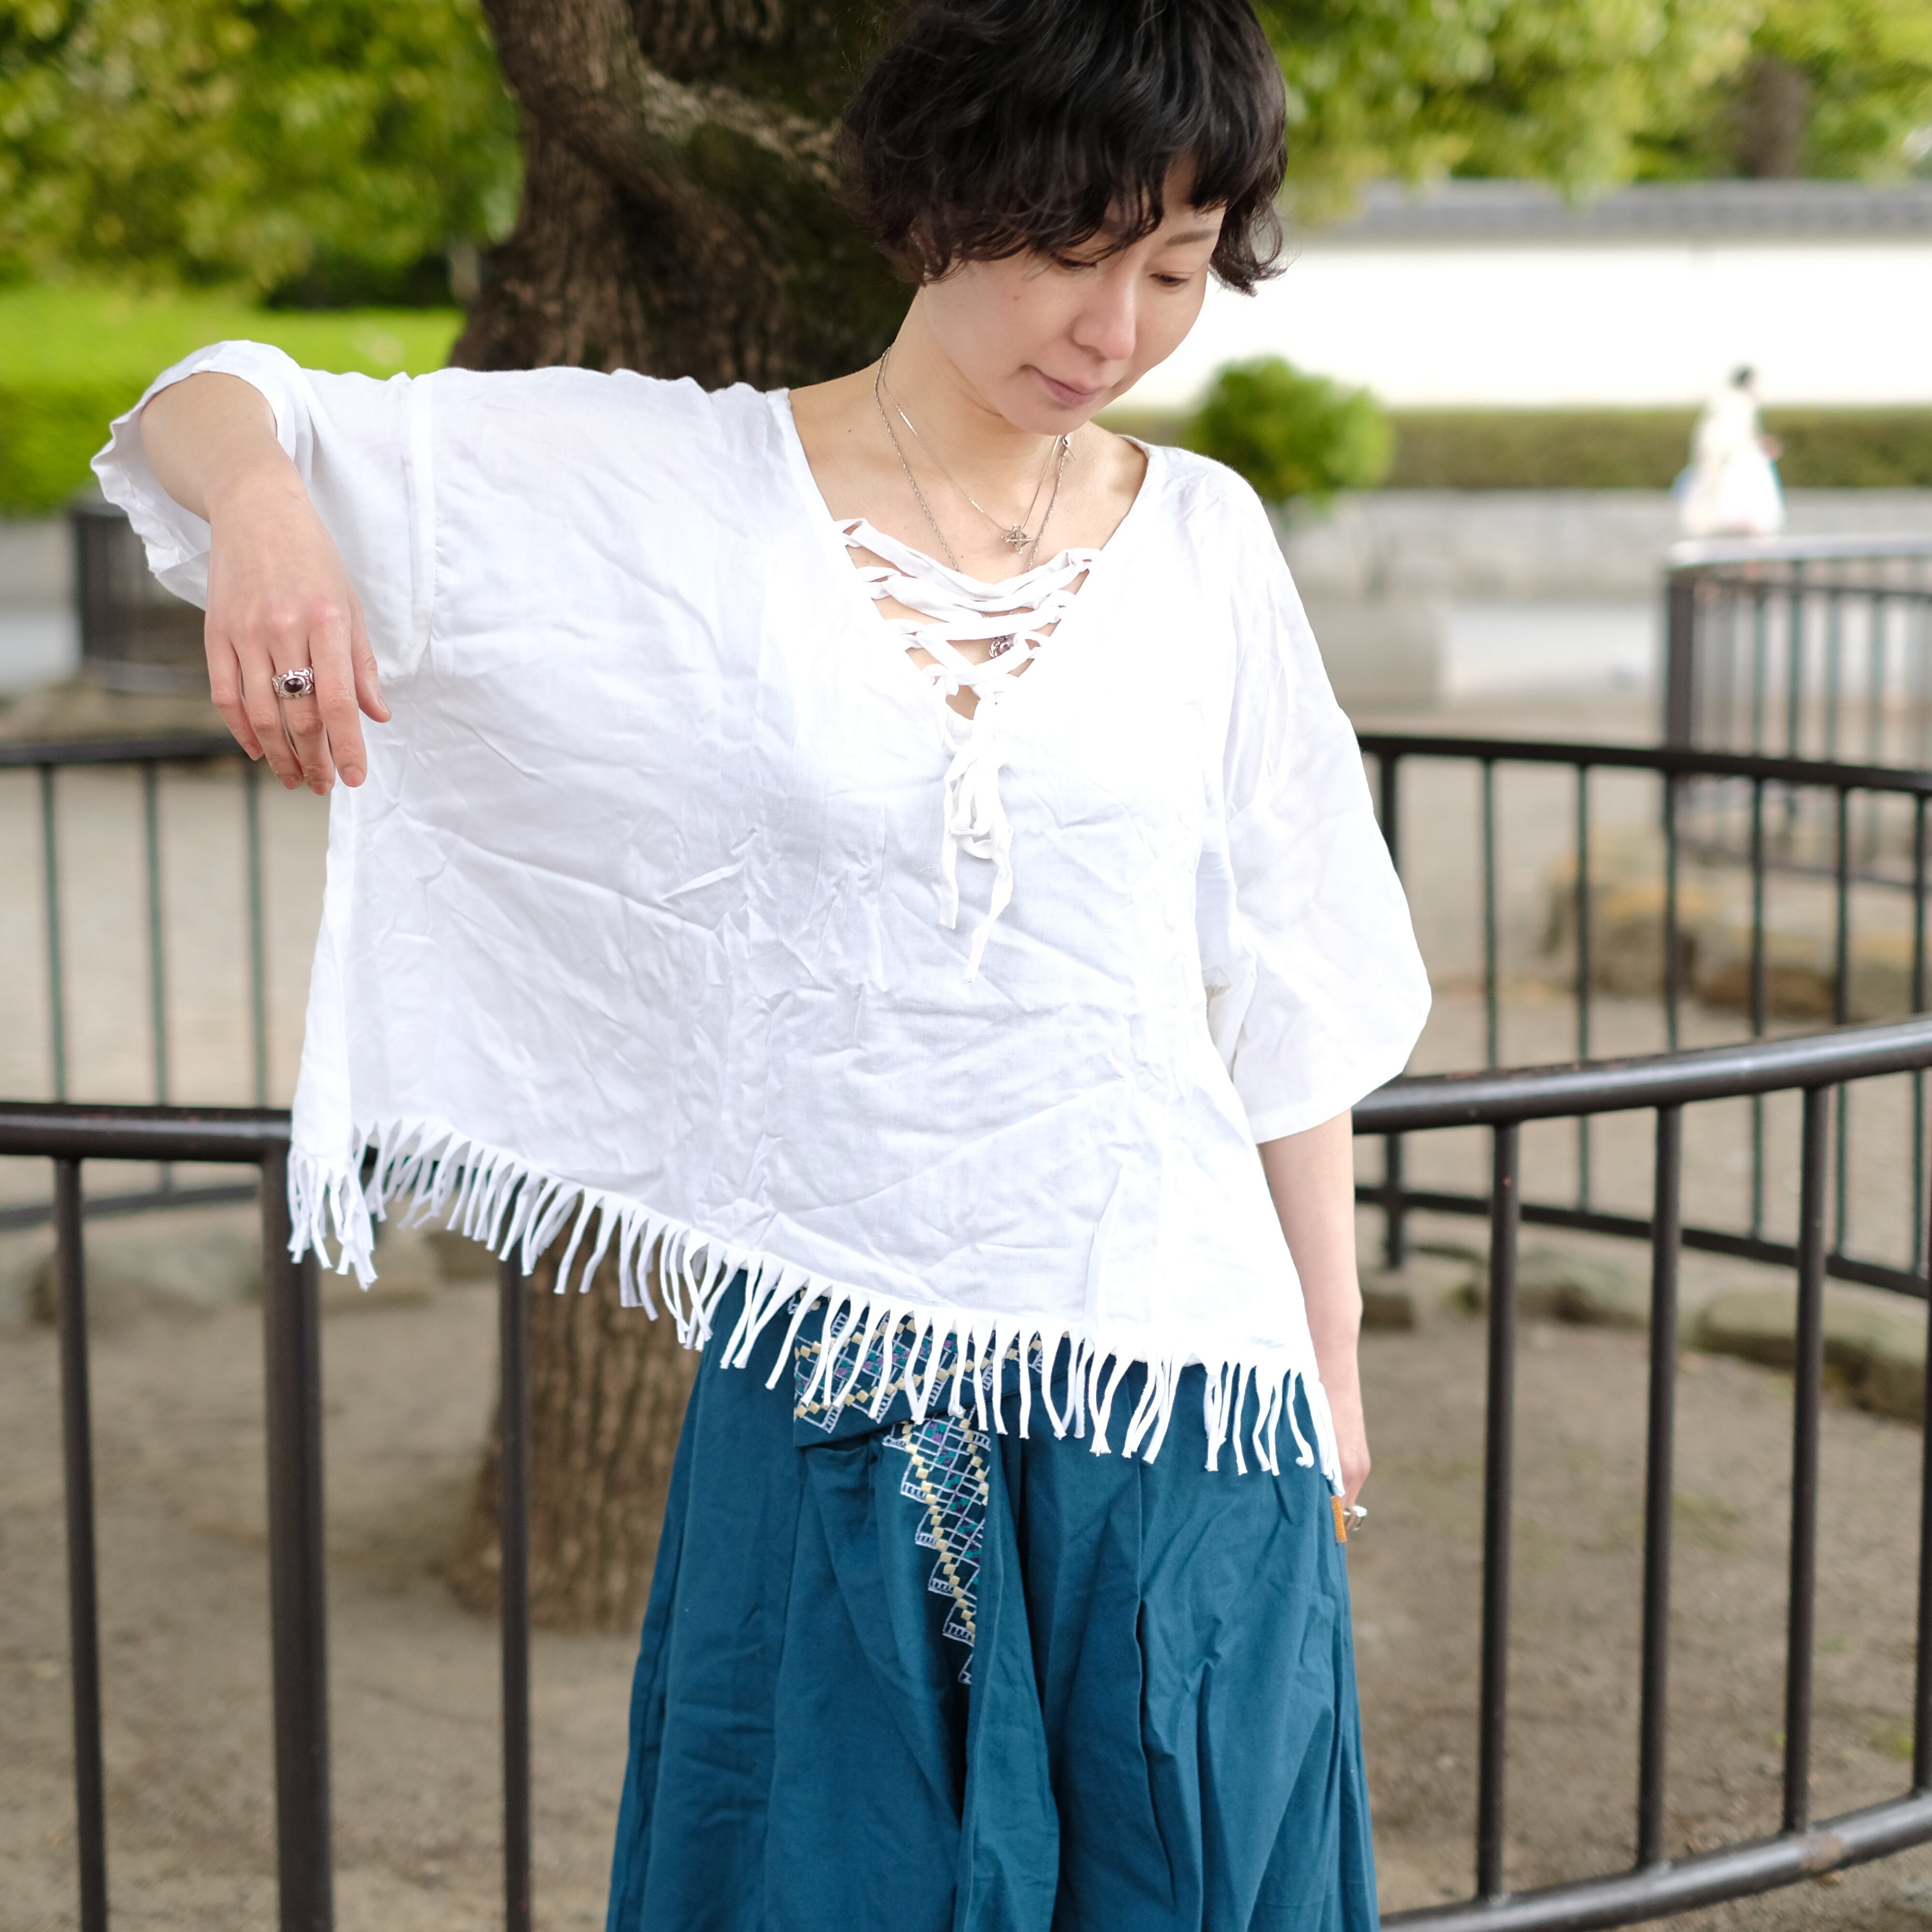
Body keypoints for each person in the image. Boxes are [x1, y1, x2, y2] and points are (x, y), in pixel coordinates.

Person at [97, 0, 1429, 1924]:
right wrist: (269, 513)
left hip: (1173, 1388)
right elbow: (209, 401)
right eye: (1075, 251)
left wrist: (1329, 1366)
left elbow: (1289, 995)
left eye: (1173, 267)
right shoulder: (683, 489)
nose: (1116, 325)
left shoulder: (1206, 541)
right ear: (941, 202)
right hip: (834, 1369)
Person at [1677, 365, 1785, 538]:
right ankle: (1707, 520)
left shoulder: (1734, 401)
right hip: (1722, 450)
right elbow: (1731, 430)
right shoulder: (1733, 401)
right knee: (1710, 484)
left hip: (1731, 451)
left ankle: (1726, 519)